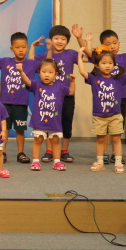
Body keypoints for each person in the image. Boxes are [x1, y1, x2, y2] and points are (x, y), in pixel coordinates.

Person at [79, 20, 126, 165]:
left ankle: (116, 154)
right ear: (102, 46)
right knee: (103, 129)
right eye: (108, 44)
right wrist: (81, 39)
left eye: (115, 43)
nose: (112, 46)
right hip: (103, 100)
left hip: (121, 98)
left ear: (119, 43)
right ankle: (104, 153)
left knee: (117, 128)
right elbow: (88, 53)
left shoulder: (124, 57)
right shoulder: (101, 58)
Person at [0, 31, 40, 164]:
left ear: (27, 48)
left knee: (20, 130)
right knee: (4, 129)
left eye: (23, 47)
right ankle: (2, 152)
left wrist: (40, 47)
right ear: (11, 49)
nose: (21, 50)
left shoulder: (31, 64)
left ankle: (20, 153)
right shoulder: (5, 61)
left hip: (21, 103)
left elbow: (44, 64)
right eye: (17, 47)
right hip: (5, 104)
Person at [33, 26, 82, 162]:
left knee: (66, 124)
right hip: (49, 97)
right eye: (56, 38)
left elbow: (87, 57)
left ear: (68, 41)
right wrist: (34, 47)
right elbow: (30, 63)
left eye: (63, 39)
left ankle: (64, 150)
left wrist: (79, 38)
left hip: (67, 96)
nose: (59, 41)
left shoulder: (71, 54)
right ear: (51, 40)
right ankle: (49, 150)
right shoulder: (45, 56)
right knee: (49, 124)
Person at [19, 58, 69, 171]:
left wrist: (73, 81)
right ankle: (35, 161)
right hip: (39, 120)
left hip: (54, 121)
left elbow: (71, 92)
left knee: (55, 140)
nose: (47, 75)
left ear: (56, 74)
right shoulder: (37, 85)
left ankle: (57, 162)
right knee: (38, 140)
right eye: (44, 72)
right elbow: (27, 82)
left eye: (50, 72)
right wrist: (21, 72)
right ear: (39, 73)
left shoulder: (60, 87)